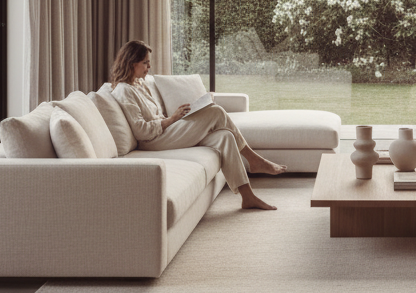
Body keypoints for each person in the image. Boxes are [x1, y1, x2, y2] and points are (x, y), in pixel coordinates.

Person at [108, 39, 285, 211]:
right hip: (153, 141)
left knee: (225, 136)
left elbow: (155, 117)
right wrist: (172, 119)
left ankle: (248, 197)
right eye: (145, 63)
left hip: (164, 131)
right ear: (132, 63)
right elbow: (141, 131)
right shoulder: (124, 90)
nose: (149, 67)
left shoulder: (139, 84)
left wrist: (177, 117)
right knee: (216, 112)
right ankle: (254, 160)